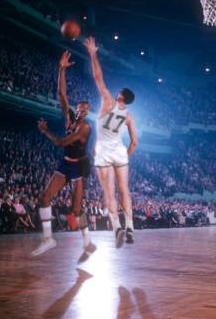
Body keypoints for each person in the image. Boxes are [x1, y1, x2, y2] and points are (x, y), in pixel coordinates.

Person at [31, 51, 95, 263]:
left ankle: (87, 242)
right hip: (65, 164)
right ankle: (48, 238)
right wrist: (61, 69)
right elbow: (61, 93)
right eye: (80, 107)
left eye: (86, 109)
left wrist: (45, 131)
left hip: (79, 167)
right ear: (77, 108)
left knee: (76, 210)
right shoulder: (70, 117)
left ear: (88, 112)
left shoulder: (85, 127)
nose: (82, 111)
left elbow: (60, 142)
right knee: (44, 197)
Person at [84, 37, 138, 247]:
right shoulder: (129, 116)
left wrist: (92, 53)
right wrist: (125, 157)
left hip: (104, 151)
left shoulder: (108, 100)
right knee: (124, 190)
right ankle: (131, 226)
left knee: (108, 191)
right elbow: (134, 142)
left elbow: (98, 77)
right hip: (119, 152)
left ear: (120, 95)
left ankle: (117, 227)